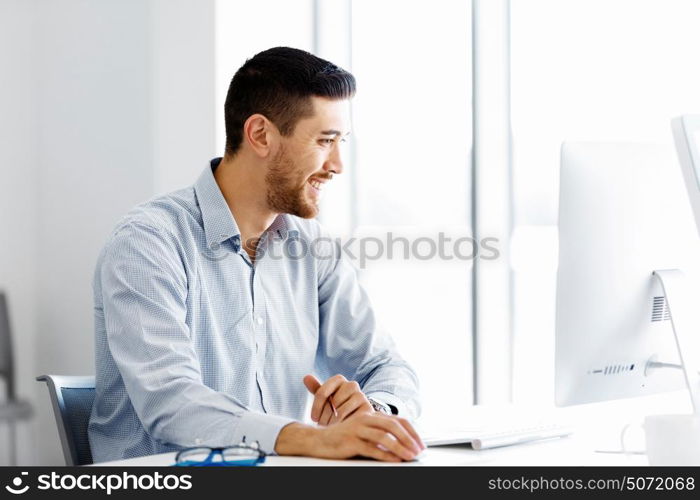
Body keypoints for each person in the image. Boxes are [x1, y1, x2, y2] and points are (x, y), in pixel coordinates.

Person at [88, 46, 423, 463]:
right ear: (261, 134)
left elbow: (387, 367)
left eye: (342, 143)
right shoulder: (147, 243)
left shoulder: (313, 248)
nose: (337, 164)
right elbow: (172, 404)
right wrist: (312, 439)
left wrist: (372, 414)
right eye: (324, 141)